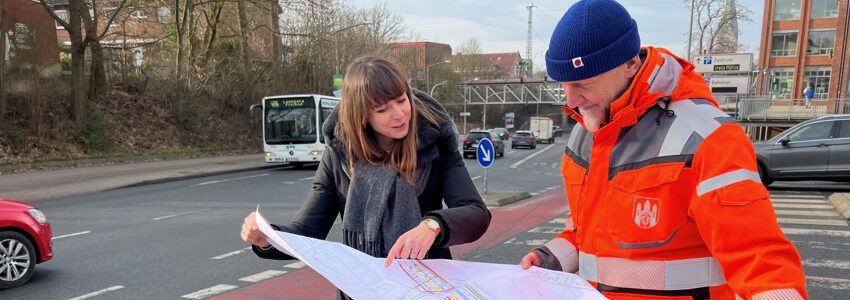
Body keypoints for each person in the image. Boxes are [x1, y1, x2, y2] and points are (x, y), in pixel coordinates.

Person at [519, 1, 808, 299]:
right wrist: (553, 258)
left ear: (630, 64)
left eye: (584, 83)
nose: (572, 100)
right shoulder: (585, 133)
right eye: (562, 84)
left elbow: (760, 261)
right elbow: (587, 233)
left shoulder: (708, 139)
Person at [240, 55, 491, 299]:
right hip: (360, 291)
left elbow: (476, 213)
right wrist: (268, 237)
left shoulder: (437, 145)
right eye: (382, 109)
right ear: (362, 116)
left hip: (426, 288)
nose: (400, 114)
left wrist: (433, 225)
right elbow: (308, 230)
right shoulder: (338, 155)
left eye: (402, 100)